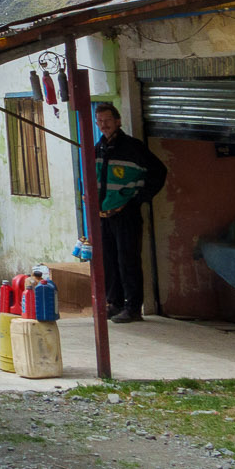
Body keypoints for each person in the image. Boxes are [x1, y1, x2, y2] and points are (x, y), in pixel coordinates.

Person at [94, 102, 167, 324]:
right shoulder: (98, 148)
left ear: (118, 121)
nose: (103, 125)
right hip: (104, 215)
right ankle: (114, 303)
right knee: (109, 260)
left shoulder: (134, 147)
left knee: (128, 259)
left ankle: (133, 307)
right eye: (99, 121)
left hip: (126, 214)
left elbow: (159, 172)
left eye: (107, 120)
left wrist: (138, 200)